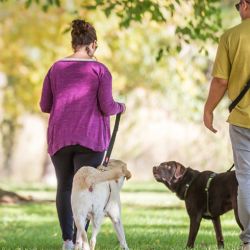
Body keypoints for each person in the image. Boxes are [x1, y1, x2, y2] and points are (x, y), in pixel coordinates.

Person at [39, 19, 125, 250]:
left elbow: (44, 105)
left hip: (60, 138)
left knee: (65, 186)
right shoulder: (100, 70)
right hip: (91, 138)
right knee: (86, 187)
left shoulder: (56, 68)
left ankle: (67, 241)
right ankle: (81, 241)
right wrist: (121, 107)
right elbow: (107, 107)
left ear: (73, 42)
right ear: (93, 44)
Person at [203, 1, 250, 249]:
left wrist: (208, 109)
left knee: (246, 178)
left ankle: (249, 241)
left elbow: (220, 81)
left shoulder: (231, 37)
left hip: (243, 120)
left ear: (244, 5)